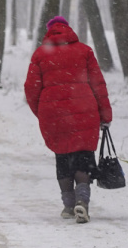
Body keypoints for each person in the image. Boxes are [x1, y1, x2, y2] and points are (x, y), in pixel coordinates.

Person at [24, 15, 112, 224]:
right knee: (83, 157)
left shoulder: (40, 55)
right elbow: (98, 84)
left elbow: (31, 88)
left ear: (49, 31)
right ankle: (83, 201)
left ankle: (68, 205)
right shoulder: (84, 51)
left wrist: (42, 112)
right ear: (68, 29)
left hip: (53, 113)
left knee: (63, 158)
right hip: (85, 110)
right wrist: (105, 114)